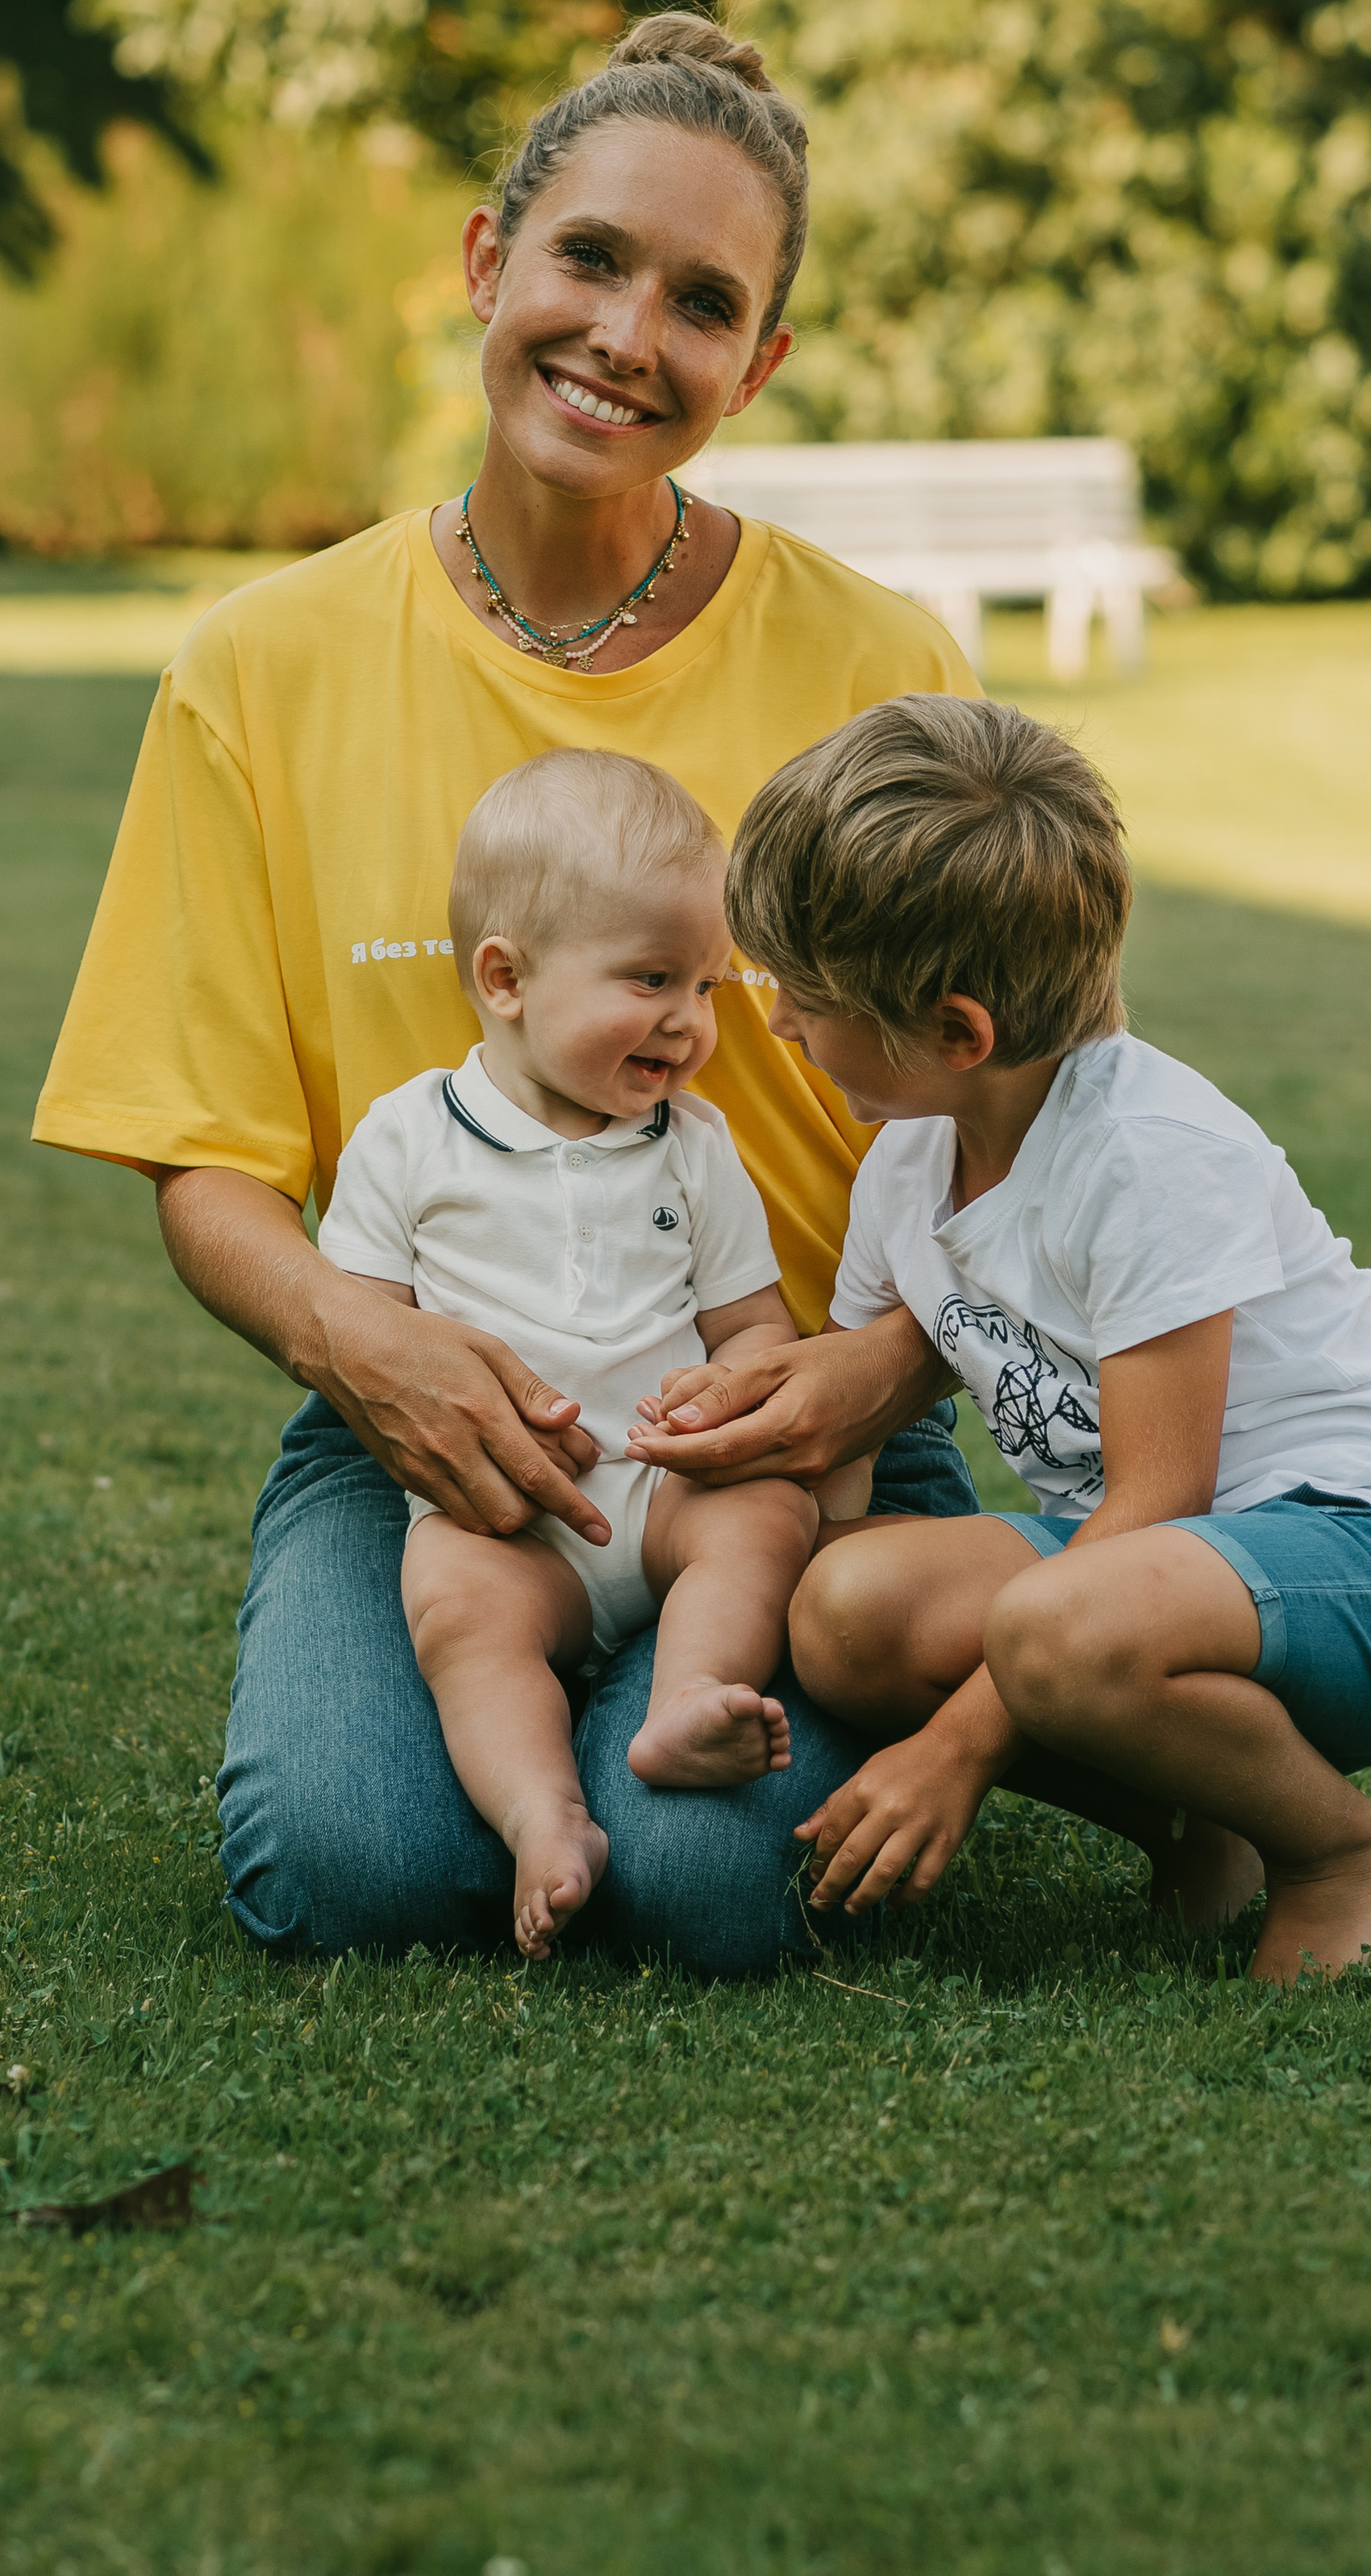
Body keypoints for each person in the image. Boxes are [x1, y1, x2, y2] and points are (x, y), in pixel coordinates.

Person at [32, 10, 984, 1977]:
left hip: (782, 1410)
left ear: (759, 366)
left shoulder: (880, 661)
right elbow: (203, 1169)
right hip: (429, 1419)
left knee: (713, 1894)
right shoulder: (262, 666)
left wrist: (875, 1379)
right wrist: (362, 1356)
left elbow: (1021, 1098)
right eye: (589, 260)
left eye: (702, 303)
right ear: (487, 263)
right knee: (353, 1879)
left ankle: (801, 1692)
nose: (630, 337)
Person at [630, 695, 1371, 1982]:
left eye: (805, 1000)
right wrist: (745, 1469)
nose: (776, 1027)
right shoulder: (906, 1169)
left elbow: (1162, 1497)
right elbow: (858, 1428)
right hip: (1142, 1585)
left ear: (956, 1033)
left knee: (1055, 1629)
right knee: (845, 1614)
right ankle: (1205, 1821)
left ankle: (1338, 1845)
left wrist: (956, 1747)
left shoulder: (1148, 1153)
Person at [318, 749, 871, 1962]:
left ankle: (686, 1700)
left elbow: (753, 1326)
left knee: (761, 1513)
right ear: (505, 978)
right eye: (652, 979)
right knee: (463, 1615)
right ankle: (544, 1818)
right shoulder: (409, 1139)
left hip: (669, 1483)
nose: (691, 1019)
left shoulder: (694, 1144)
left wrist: (739, 1397)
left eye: (711, 985)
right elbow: (357, 1328)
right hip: (507, 1500)